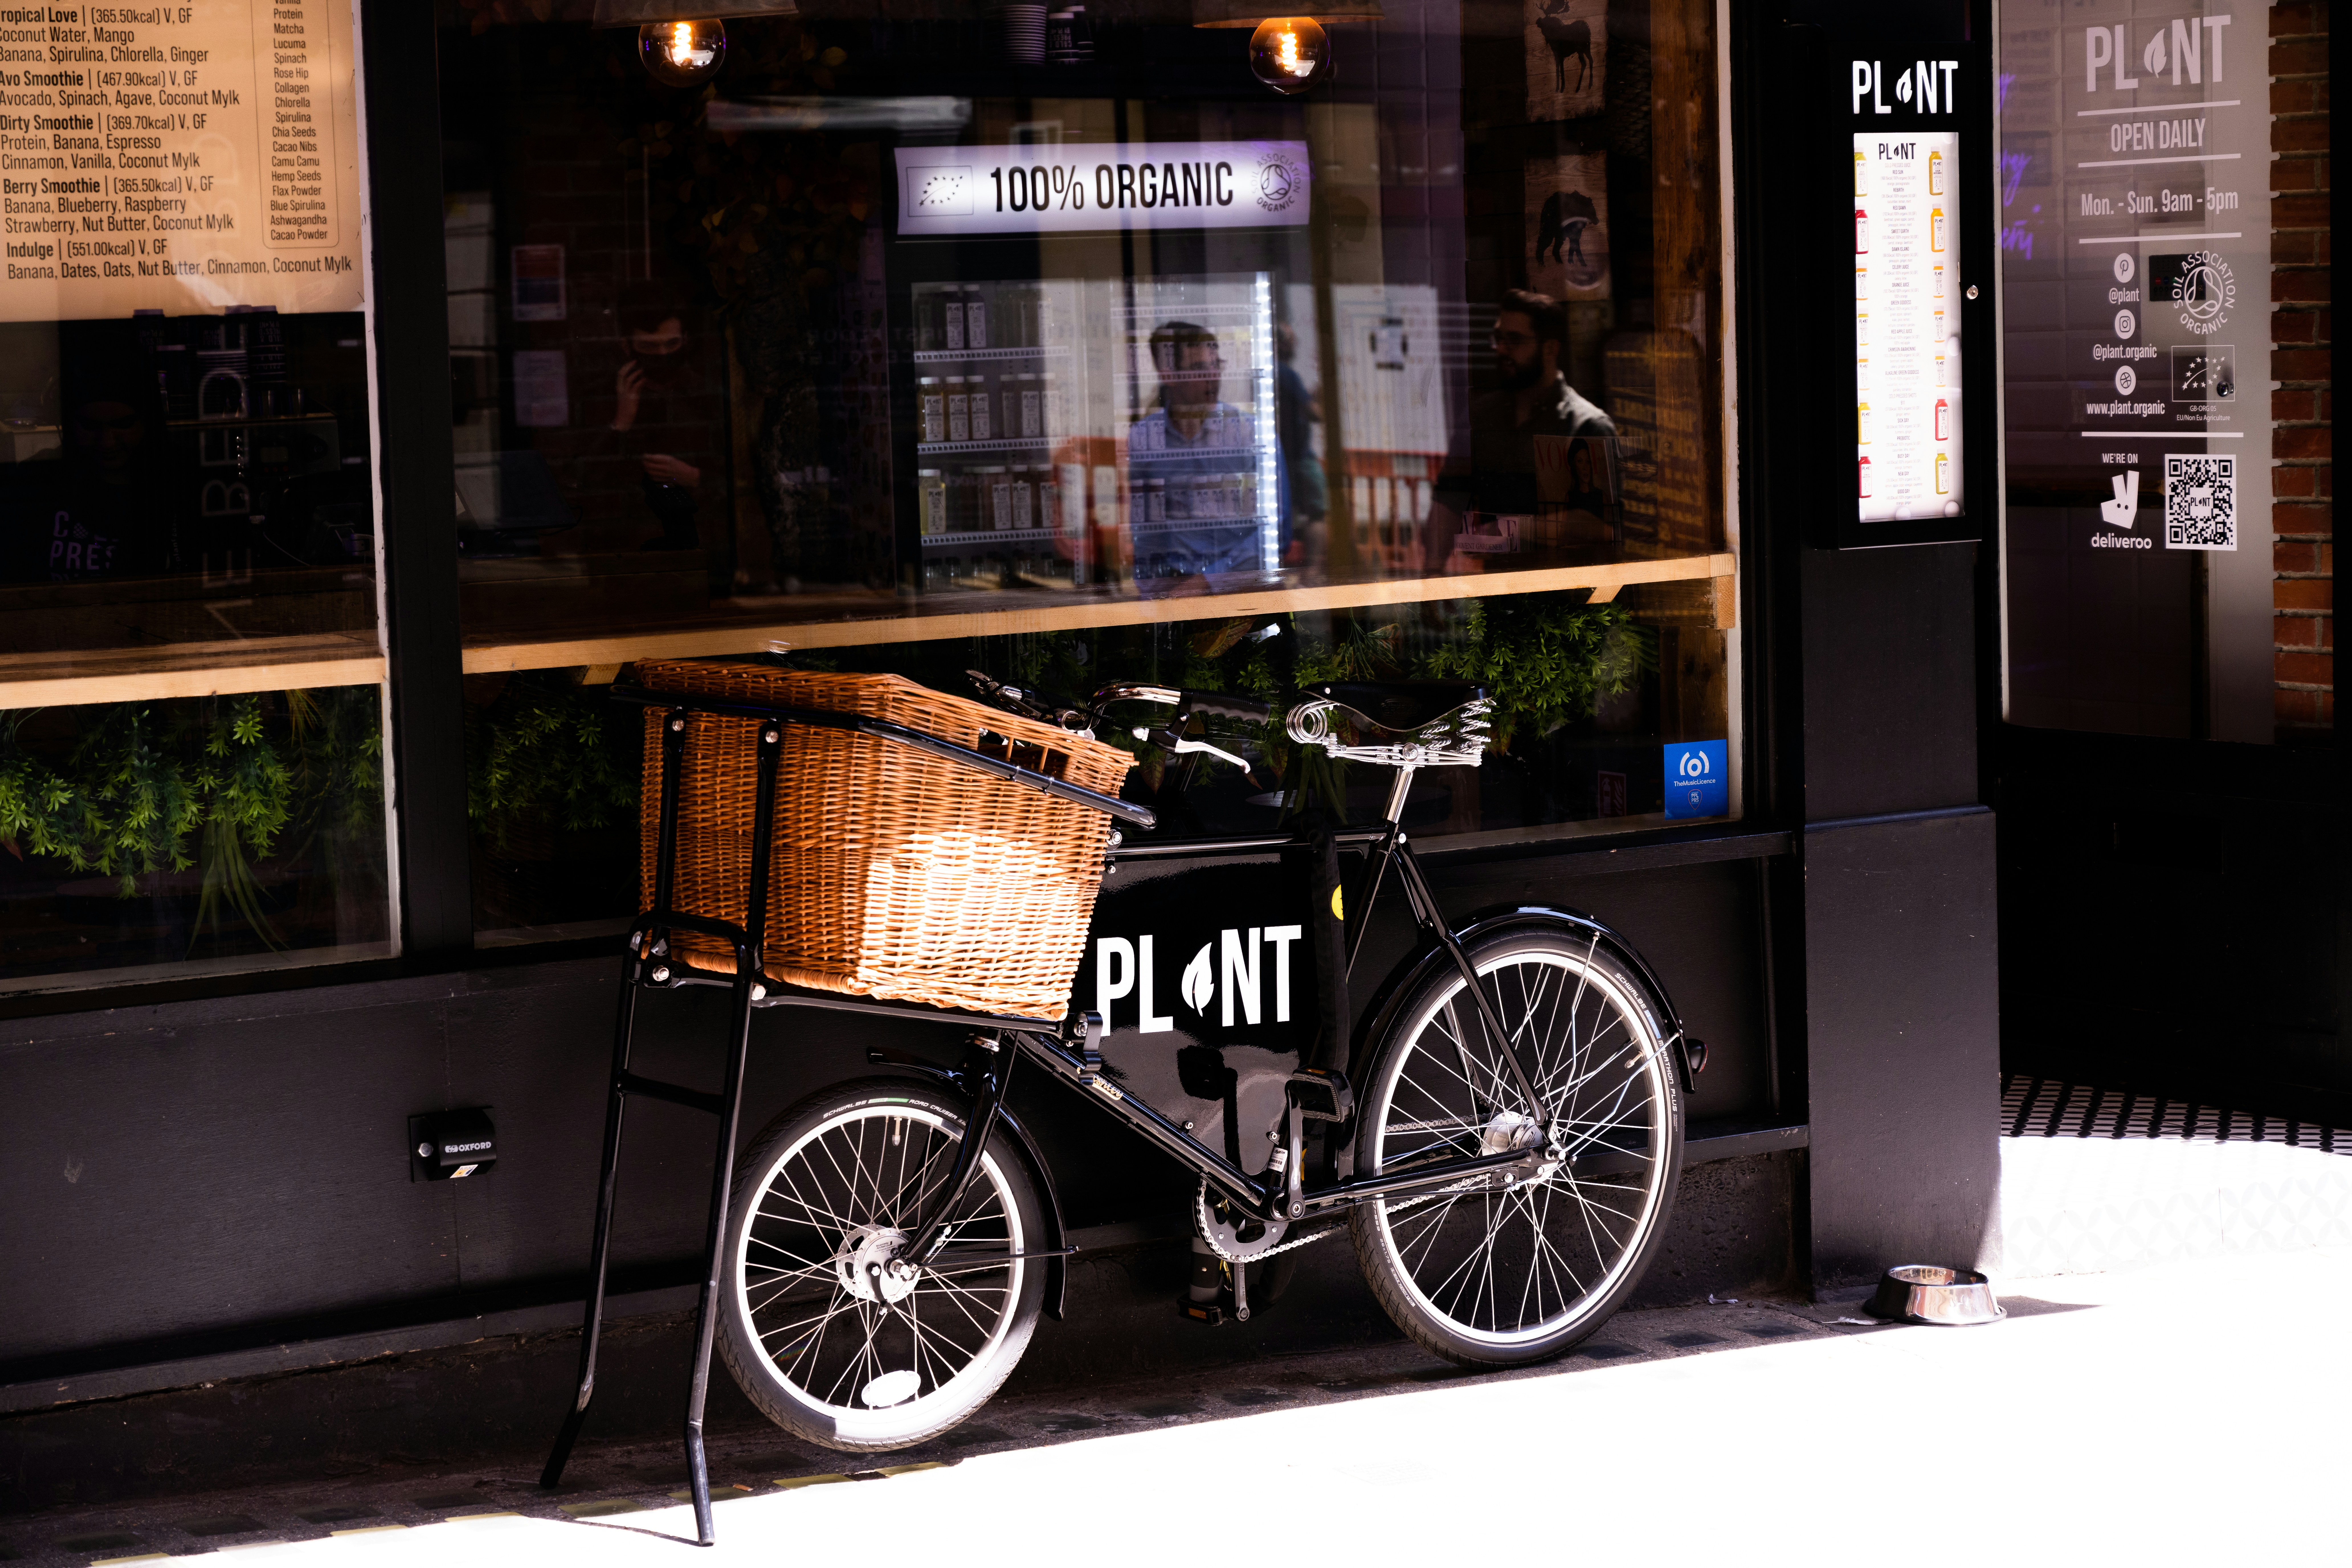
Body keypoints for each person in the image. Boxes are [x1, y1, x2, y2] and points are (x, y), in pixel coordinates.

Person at [1127, 320, 1261, 581]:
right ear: (1168, 375)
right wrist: (1151, 593)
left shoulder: (1247, 432)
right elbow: (1146, 531)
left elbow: (1276, 529)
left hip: (1240, 582)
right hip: (1176, 582)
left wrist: (1210, 582)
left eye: (1216, 365)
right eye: (1200, 368)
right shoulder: (1145, 437)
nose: (1213, 376)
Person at [1467, 288, 1613, 518]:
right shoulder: (1482, 415)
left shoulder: (1587, 426)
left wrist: (1509, 532)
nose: (1502, 349)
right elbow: (1448, 501)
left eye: (1515, 340)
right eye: (1499, 339)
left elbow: (1604, 527)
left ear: (1550, 349)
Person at [610, 287, 704, 551]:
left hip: (698, 542)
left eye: (671, 344)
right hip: (630, 546)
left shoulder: (704, 394)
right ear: (627, 346)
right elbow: (589, 484)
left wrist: (693, 477)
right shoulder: (606, 395)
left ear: (685, 340)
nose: (663, 355)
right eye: (649, 347)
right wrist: (622, 420)